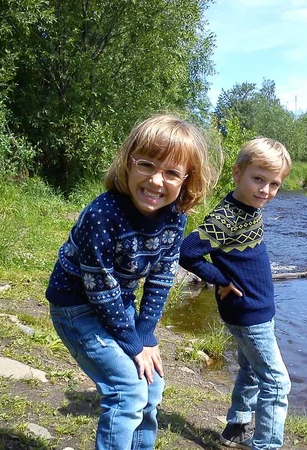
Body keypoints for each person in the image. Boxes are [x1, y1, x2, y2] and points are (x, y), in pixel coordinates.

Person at [46, 114, 215, 450]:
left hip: (117, 300)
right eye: (147, 165)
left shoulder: (175, 217)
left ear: (186, 180)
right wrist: (133, 343)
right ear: (127, 164)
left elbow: (162, 277)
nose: (156, 181)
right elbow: (100, 288)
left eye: (171, 173)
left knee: (151, 384)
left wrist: (146, 335)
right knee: (127, 390)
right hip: (75, 305)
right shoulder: (104, 214)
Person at [179, 137, 292, 450]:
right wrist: (220, 280)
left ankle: (237, 428)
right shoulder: (227, 217)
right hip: (248, 313)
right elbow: (187, 252)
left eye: (274, 184)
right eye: (258, 179)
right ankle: (267, 445)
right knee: (278, 381)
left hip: (254, 309)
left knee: (252, 371)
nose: (265, 191)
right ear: (237, 173)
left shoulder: (246, 208)